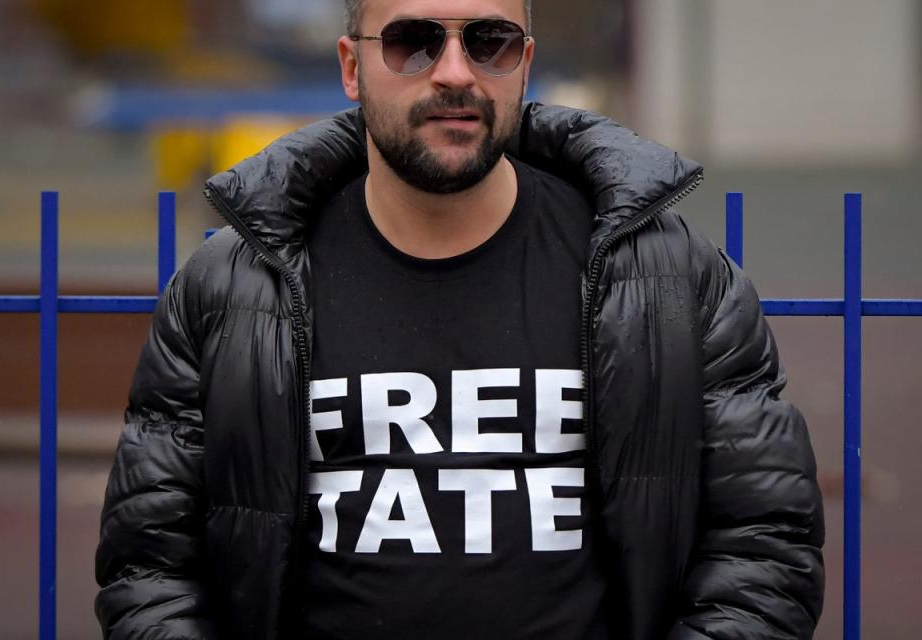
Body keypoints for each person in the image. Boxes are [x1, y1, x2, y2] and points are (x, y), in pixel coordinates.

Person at [95, 0, 825, 638]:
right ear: (352, 66)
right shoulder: (234, 284)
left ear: (525, 64)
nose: (453, 72)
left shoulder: (669, 276)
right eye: (413, 40)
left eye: (490, 41)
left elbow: (764, 544)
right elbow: (150, 560)